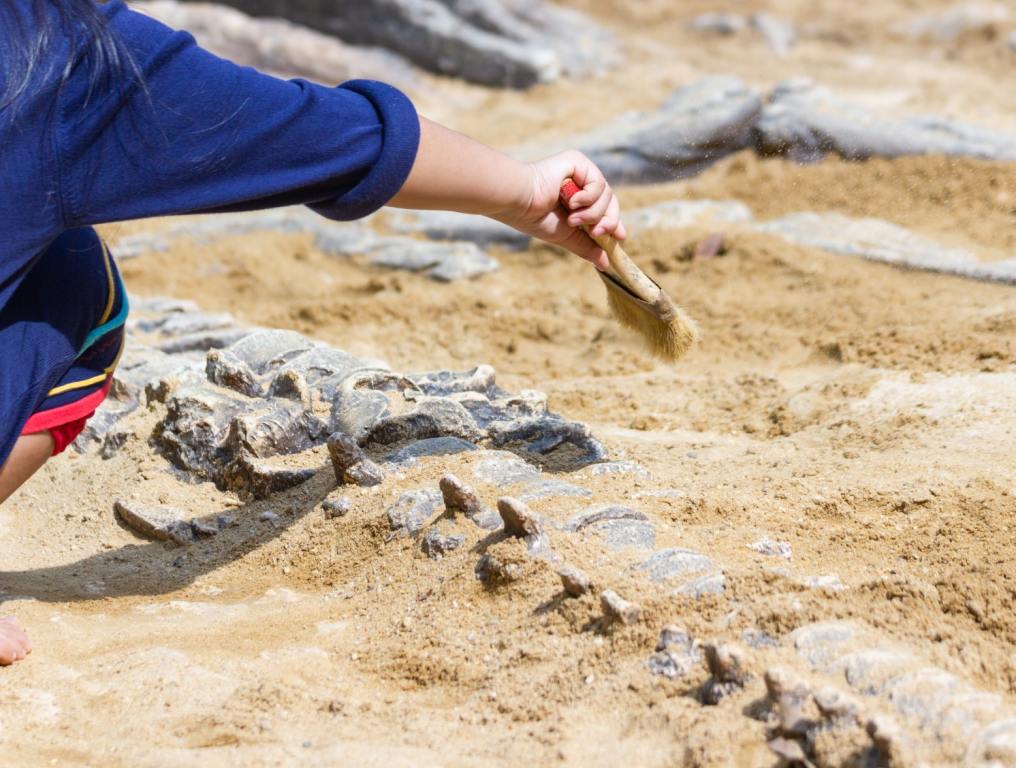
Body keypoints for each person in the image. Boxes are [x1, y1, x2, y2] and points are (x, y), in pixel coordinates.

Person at [0, 0, 627, 666]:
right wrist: (526, 190)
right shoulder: (59, 48)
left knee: (64, 271)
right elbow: (319, 135)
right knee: (84, 295)